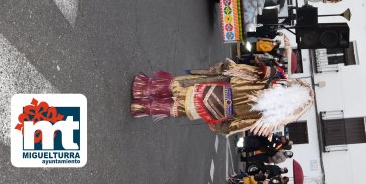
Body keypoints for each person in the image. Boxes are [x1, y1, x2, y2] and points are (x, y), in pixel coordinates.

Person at [130, 59, 313, 136]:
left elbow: (238, 70)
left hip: (218, 87)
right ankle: (143, 108)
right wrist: (223, 126)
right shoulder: (268, 116)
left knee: (181, 86)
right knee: (181, 108)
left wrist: (223, 68)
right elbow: (240, 124)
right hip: (219, 109)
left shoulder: (270, 77)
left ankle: (144, 89)